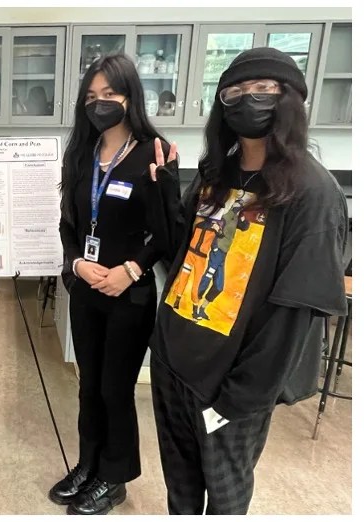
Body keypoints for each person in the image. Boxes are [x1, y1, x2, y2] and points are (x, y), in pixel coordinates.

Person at [146, 47, 349, 515]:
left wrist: (238, 400)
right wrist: (165, 188)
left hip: (229, 385)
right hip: (174, 360)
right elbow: (181, 257)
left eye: (264, 90)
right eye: (234, 92)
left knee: (226, 497)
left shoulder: (312, 193)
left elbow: (293, 312)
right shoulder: (215, 176)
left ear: (291, 101)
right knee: (180, 489)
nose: (247, 99)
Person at [53, 53, 180, 516]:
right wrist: (75, 264)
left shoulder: (155, 153)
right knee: (89, 384)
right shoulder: (81, 152)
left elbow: (168, 232)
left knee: (115, 387)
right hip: (87, 287)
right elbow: (69, 222)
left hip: (130, 293)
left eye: (110, 94)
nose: (100, 103)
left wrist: (131, 269)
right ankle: (88, 464)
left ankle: (115, 476)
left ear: (130, 97)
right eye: (91, 96)